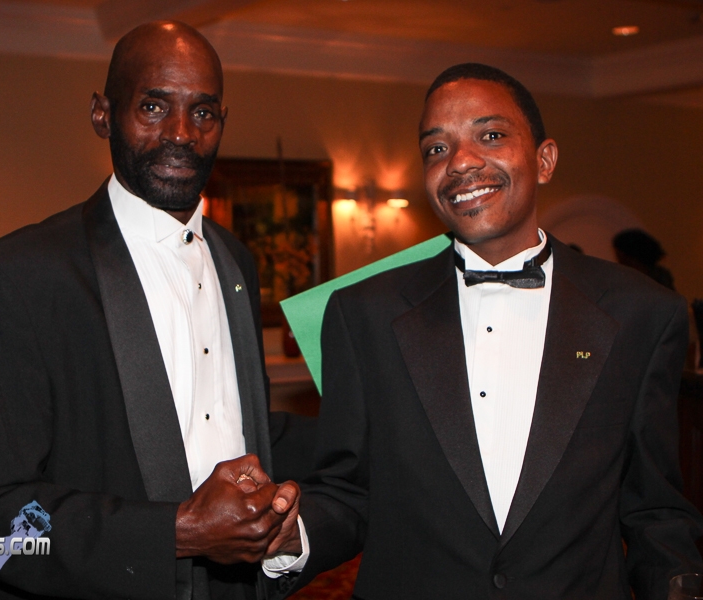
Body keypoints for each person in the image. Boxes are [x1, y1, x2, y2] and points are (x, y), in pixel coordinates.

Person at [279, 64, 703, 599]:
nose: (460, 162)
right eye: (437, 148)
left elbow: (655, 511)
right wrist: (288, 538)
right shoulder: (362, 313)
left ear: (544, 160)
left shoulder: (642, 313)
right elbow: (347, 491)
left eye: (491, 135)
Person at [0, 21, 300, 600]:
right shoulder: (14, 279)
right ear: (102, 114)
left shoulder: (236, 262)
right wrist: (176, 534)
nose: (181, 133)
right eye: (153, 106)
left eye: (203, 113)